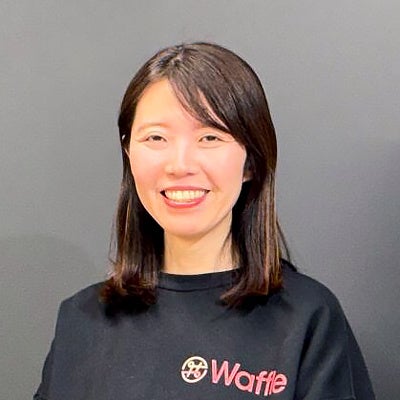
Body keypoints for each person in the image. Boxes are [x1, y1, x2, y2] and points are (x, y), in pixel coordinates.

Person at [34, 42, 375, 399]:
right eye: (156, 137)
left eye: (209, 137)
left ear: (251, 161)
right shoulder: (82, 320)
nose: (180, 165)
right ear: (128, 152)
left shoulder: (308, 319)